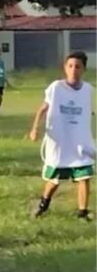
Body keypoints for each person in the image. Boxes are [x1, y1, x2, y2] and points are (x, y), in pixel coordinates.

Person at [29, 51, 94, 220]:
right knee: (55, 179)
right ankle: (43, 204)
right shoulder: (56, 88)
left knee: (84, 177)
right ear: (65, 68)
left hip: (79, 143)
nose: (74, 70)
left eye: (78, 66)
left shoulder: (88, 90)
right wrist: (35, 128)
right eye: (70, 66)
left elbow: (87, 110)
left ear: (83, 69)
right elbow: (43, 108)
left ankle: (82, 212)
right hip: (61, 142)